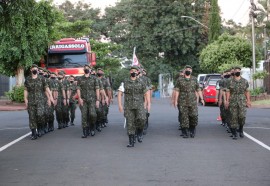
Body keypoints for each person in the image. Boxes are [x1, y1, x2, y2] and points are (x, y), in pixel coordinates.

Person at [118, 66, 151, 147]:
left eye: (135, 71)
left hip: (139, 105)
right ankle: (131, 141)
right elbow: (119, 93)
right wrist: (120, 105)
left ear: (137, 72)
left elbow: (146, 92)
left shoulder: (142, 82)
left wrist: (148, 103)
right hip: (129, 106)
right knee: (130, 123)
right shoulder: (125, 82)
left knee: (142, 119)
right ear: (130, 72)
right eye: (132, 71)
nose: (133, 72)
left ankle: (139, 131)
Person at [174, 65, 205, 138]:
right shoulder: (180, 80)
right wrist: (175, 100)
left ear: (191, 71)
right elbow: (177, 91)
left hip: (192, 101)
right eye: (187, 69)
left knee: (194, 115)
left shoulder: (194, 79)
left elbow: (198, 89)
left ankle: (192, 129)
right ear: (184, 71)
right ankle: (185, 132)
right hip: (182, 101)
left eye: (189, 69)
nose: (188, 70)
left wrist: (202, 99)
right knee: (184, 116)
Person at [24, 64, 54, 140]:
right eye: (33, 68)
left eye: (36, 69)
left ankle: (40, 127)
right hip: (31, 101)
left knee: (40, 115)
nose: (34, 70)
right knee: (32, 117)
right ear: (31, 70)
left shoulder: (42, 78)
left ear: (37, 70)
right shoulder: (27, 79)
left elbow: (46, 89)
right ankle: (34, 133)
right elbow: (26, 90)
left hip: (40, 101)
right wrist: (25, 99)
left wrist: (50, 97)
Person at [225, 66, 251, 140]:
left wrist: (248, 100)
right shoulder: (230, 81)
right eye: (236, 70)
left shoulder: (244, 81)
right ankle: (234, 133)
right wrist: (227, 101)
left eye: (238, 70)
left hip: (242, 100)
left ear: (240, 71)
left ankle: (241, 129)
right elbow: (228, 91)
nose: (237, 71)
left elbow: (247, 91)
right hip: (233, 100)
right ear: (234, 72)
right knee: (233, 117)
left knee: (242, 116)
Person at [77, 65, 100, 138]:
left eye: (88, 68)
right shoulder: (80, 79)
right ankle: (85, 132)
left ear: (90, 70)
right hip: (83, 100)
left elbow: (97, 89)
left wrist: (98, 100)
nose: (86, 69)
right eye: (85, 68)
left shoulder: (94, 78)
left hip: (92, 100)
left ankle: (92, 127)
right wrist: (79, 98)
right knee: (84, 116)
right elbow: (78, 89)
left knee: (93, 114)